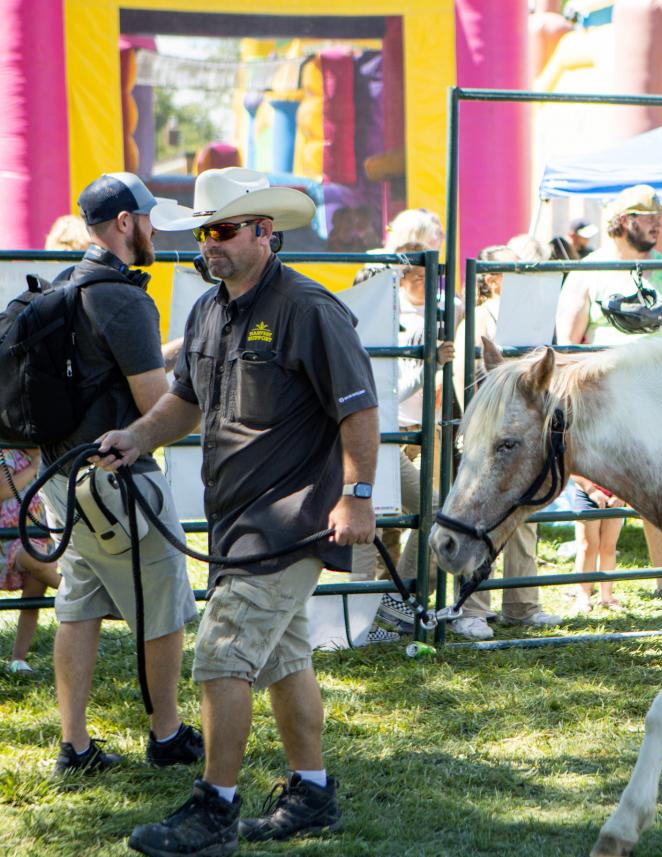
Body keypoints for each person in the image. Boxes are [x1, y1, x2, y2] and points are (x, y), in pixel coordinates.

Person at [99, 167, 379, 855]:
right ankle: (311, 792)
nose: (210, 243)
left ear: (265, 232)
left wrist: (358, 496)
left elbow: (359, 410)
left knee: (222, 655)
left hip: (289, 520)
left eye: (223, 229)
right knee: (285, 659)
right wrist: (136, 437)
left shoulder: (309, 309)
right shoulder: (208, 308)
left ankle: (213, 809)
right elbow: (186, 400)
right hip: (236, 523)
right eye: (203, 231)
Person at [42, 172, 203, 779]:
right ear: (126, 224)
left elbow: (99, 374)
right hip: (119, 479)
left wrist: (168, 349)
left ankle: (74, 746)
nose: (157, 229)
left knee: (79, 604)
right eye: (149, 218)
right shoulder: (127, 297)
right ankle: (165, 733)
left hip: (67, 476)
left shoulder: (69, 284)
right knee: (162, 603)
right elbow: (157, 407)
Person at [557, 184, 662, 601]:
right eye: (646, 216)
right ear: (622, 222)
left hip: (660, 401)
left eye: (660, 216)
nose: (657, 224)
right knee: (597, 494)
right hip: (605, 402)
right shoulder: (588, 270)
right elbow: (568, 343)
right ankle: (589, 588)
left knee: (660, 488)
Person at [448, 244, 561, 639]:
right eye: (518, 272)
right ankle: (472, 608)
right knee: (481, 517)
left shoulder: (535, 321)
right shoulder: (479, 320)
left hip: (520, 437)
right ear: (494, 279)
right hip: (488, 439)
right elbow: (469, 386)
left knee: (524, 518)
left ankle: (522, 604)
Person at [369, 242, 455, 638]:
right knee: (368, 527)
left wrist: (429, 363)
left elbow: (388, 391)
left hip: (384, 440)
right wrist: (429, 365)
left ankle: (396, 602)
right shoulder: (360, 323)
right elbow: (384, 393)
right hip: (367, 441)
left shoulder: (396, 322)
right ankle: (361, 612)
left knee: (431, 510)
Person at [0, 449, 60, 674]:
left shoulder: (51, 455)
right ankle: (75, 592)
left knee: (33, 597)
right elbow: (3, 490)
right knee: (36, 560)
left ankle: (18, 659)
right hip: (8, 538)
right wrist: (34, 467)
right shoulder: (7, 455)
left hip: (40, 535)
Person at [570, 475, 625, 613]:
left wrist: (622, 494)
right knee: (588, 547)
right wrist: (591, 491)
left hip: (617, 495)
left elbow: (633, 468)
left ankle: (607, 596)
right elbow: (573, 469)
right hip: (587, 494)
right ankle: (583, 596)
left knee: (609, 547)